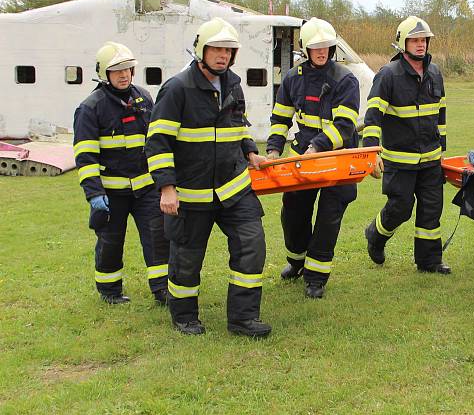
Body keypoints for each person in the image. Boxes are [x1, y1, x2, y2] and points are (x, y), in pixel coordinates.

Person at [145, 17, 271, 337]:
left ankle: (243, 319)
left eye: (229, 50)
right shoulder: (176, 89)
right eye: (216, 49)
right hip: (191, 192)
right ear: (201, 50)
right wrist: (167, 188)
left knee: (251, 245)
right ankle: (185, 317)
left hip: (234, 187)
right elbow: (158, 141)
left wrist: (249, 151)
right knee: (187, 258)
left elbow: (237, 125)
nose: (222, 56)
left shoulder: (233, 84)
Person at [265, 18, 360, 299]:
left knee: (328, 219)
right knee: (293, 212)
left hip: (337, 159)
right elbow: (280, 117)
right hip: (302, 157)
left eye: (327, 47)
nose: (322, 52)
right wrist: (273, 148)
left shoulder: (345, 80)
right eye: (316, 47)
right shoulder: (293, 78)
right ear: (305, 48)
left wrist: (317, 147)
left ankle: (316, 277)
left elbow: (344, 126)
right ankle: (296, 261)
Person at [73, 42, 169, 305]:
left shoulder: (143, 98)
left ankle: (162, 289)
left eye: (128, 69)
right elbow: (85, 156)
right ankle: (110, 290)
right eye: (117, 71)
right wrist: (94, 193)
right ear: (104, 73)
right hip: (110, 193)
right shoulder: (90, 108)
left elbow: (155, 141)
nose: (124, 74)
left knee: (158, 238)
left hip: (146, 188)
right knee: (110, 241)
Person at [362, 16, 450, 274]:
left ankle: (429, 261)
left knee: (431, 211)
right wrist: (370, 151)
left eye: (423, 40)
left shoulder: (435, 73)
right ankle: (376, 235)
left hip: (431, 159)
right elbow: (373, 115)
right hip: (400, 160)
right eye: (415, 40)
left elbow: (440, 113)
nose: (420, 45)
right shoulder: (388, 75)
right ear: (402, 44)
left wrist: (441, 149)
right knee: (400, 209)